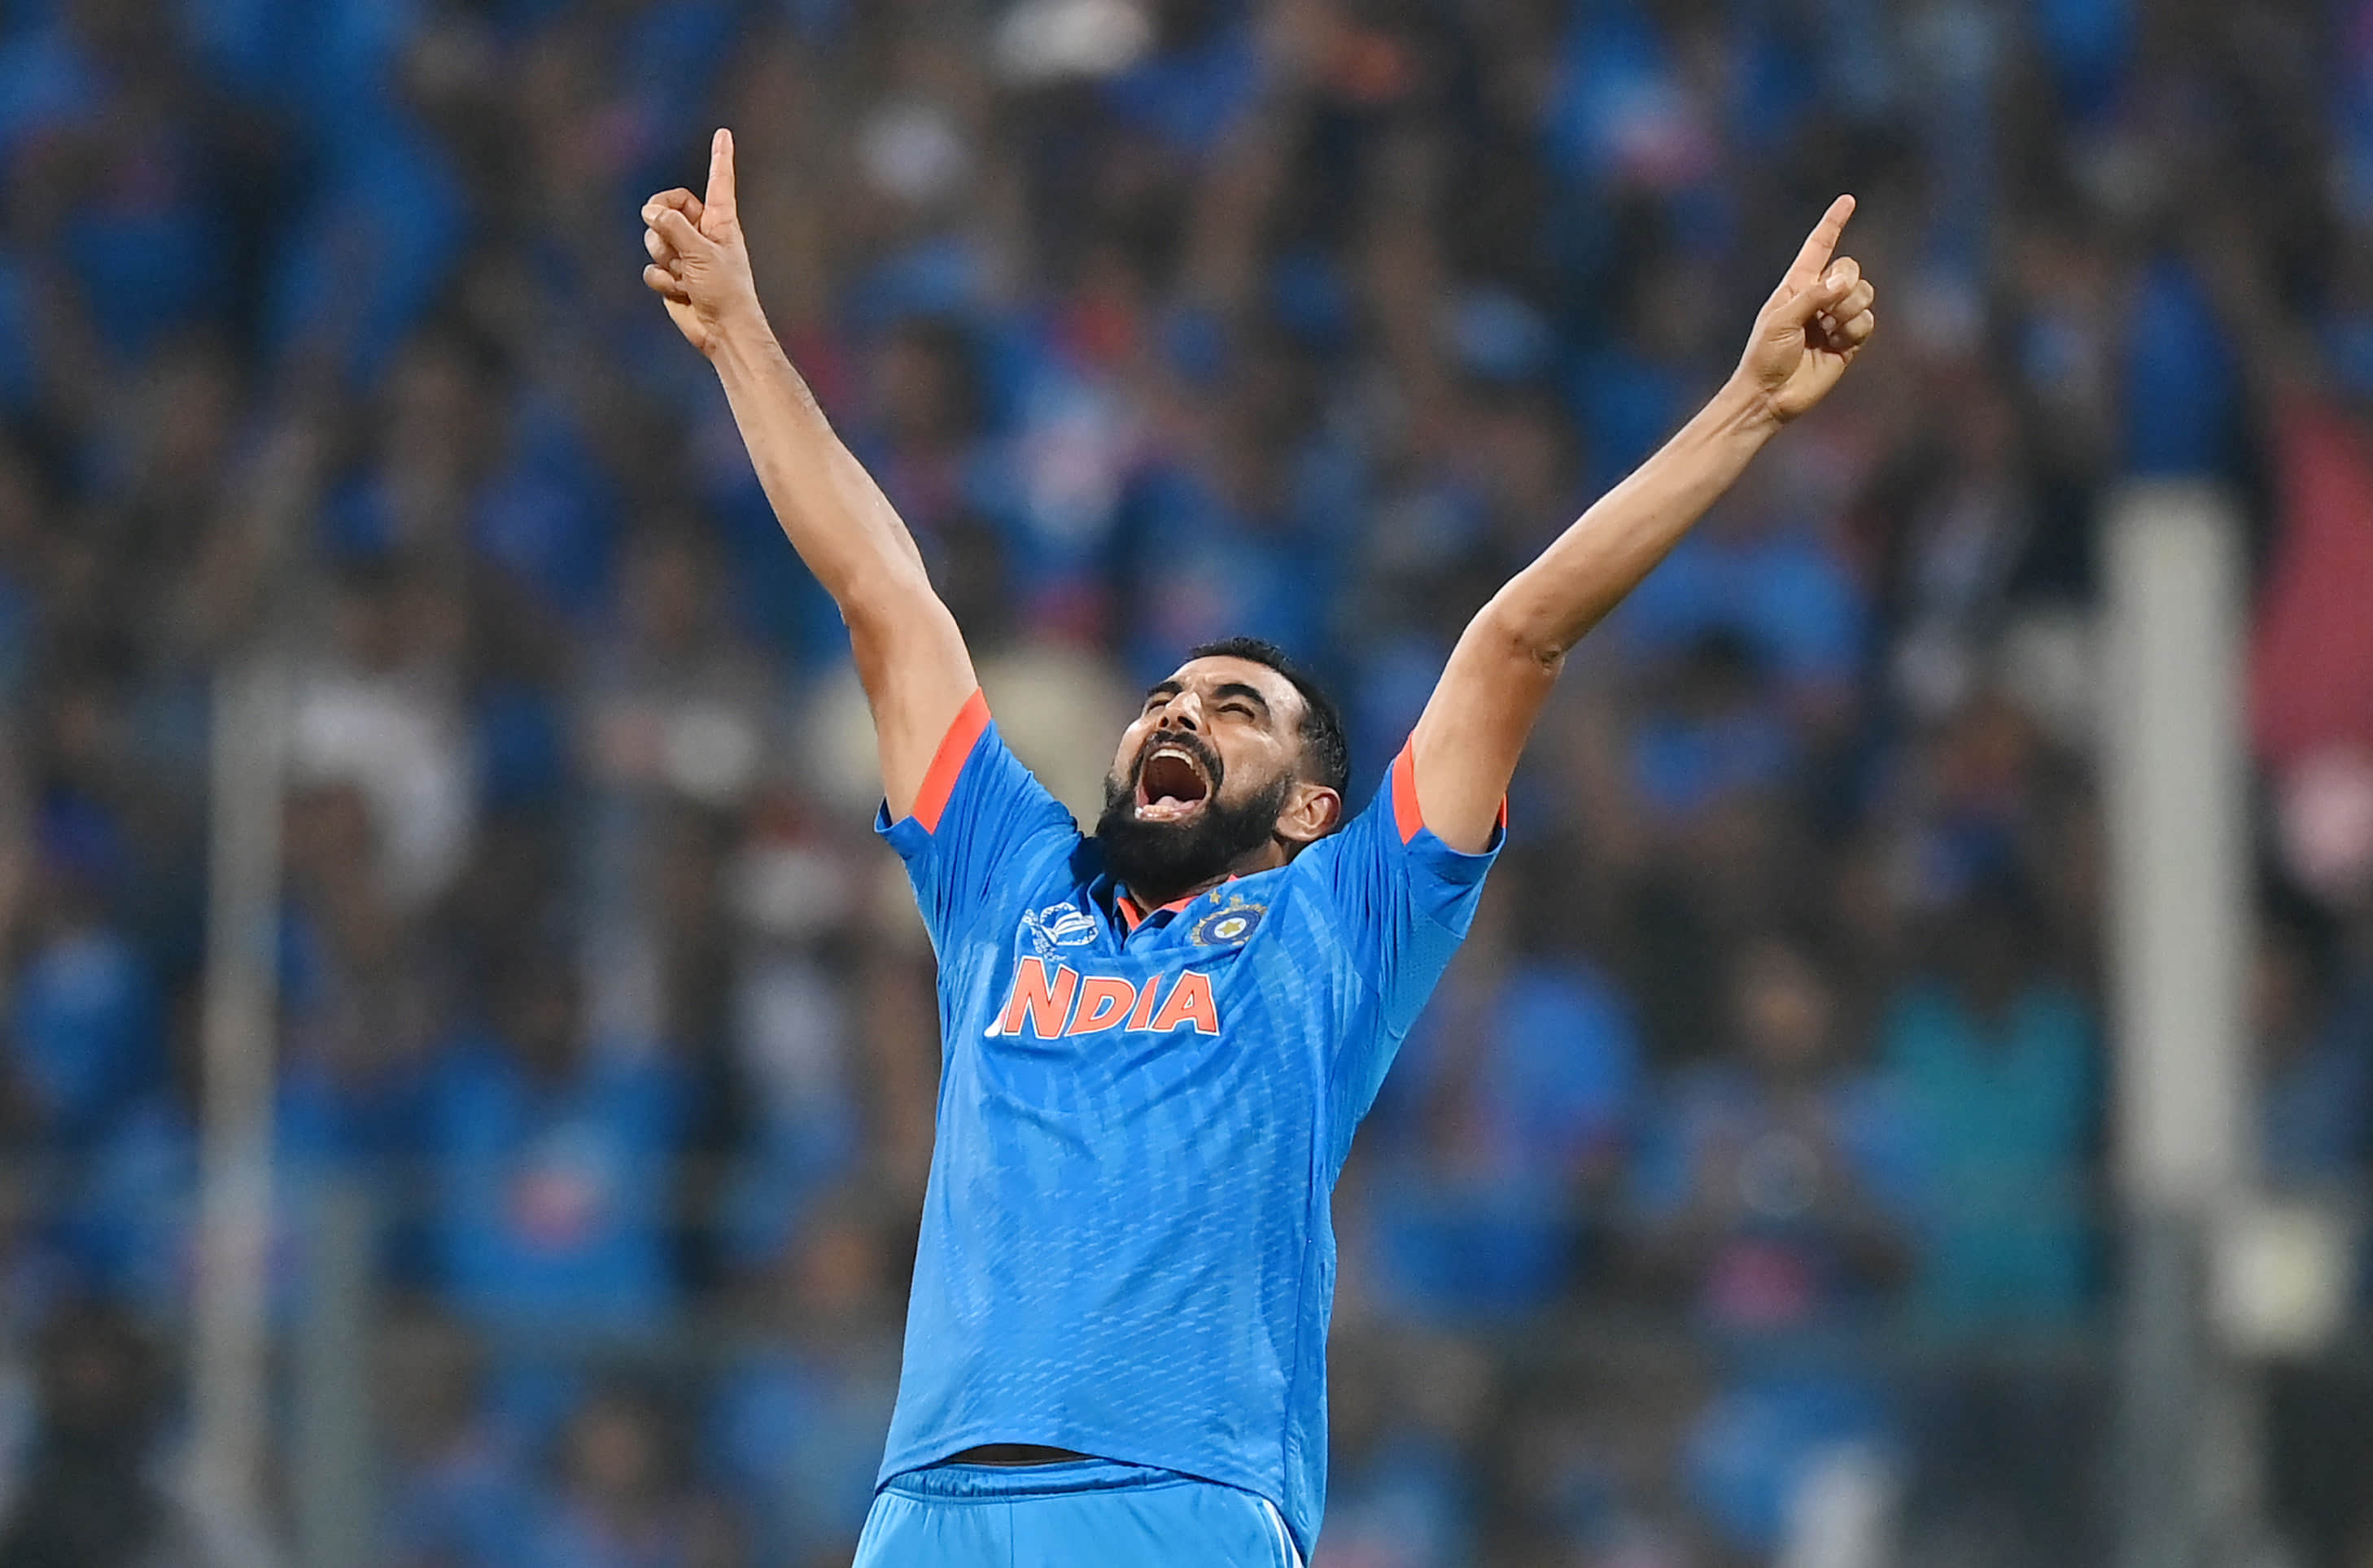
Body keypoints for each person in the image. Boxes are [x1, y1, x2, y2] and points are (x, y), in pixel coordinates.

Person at [637, 129, 1878, 1567]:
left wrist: (1748, 405)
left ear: (1307, 812)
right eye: (1165, 697)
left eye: (1237, 710)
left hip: (1183, 1500)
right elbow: (881, 593)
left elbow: (1517, 640)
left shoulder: (1343, 921)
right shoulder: (1010, 881)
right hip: (931, 1505)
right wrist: (740, 337)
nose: (1180, 711)